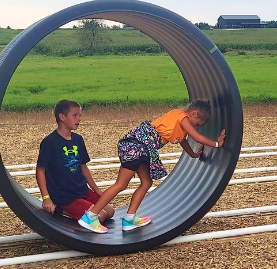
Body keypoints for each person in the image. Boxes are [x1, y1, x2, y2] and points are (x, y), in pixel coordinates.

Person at [78, 99, 226, 233]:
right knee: (121, 184)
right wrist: (217, 144)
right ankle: (90, 217)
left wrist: (194, 154)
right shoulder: (182, 116)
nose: (196, 127)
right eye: (198, 124)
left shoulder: (179, 123)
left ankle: (129, 219)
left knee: (147, 182)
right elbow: (196, 137)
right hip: (136, 145)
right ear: (194, 113)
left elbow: (184, 141)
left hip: (143, 148)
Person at [35, 100, 113, 223]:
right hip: (64, 196)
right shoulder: (50, 142)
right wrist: (46, 198)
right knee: (99, 216)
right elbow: (40, 170)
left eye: (80, 115)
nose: (79, 119)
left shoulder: (78, 139)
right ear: (62, 117)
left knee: (110, 212)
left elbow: (83, 167)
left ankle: (74, 210)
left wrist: (96, 190)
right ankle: (60, 209)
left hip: (81, 190)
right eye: (75, 115)